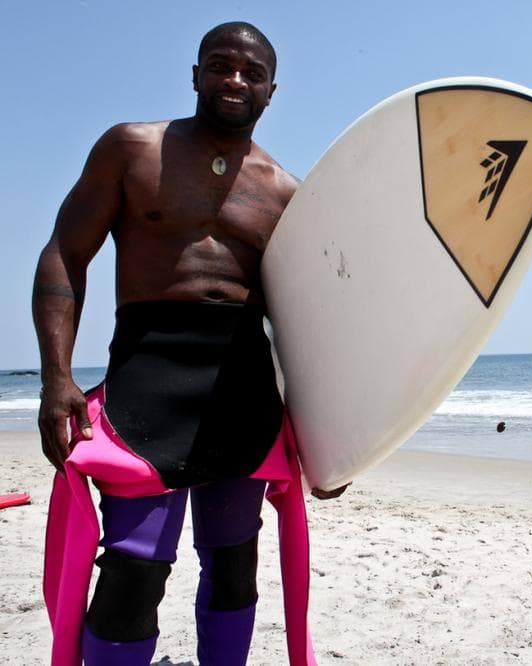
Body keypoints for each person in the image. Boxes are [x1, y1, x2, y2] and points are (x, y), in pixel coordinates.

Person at [32, 22, 344, 665]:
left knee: (234, 569)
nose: (235, 79)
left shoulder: (288, 194)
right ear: (196, 73)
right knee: (132, 574)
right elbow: (66, 253)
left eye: (251, 73)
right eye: (221, 65)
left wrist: (342, 441)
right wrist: (56, 376)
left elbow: (315, 322)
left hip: (243, 388)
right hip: (148, 377)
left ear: (271, 90)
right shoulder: (131, 149)